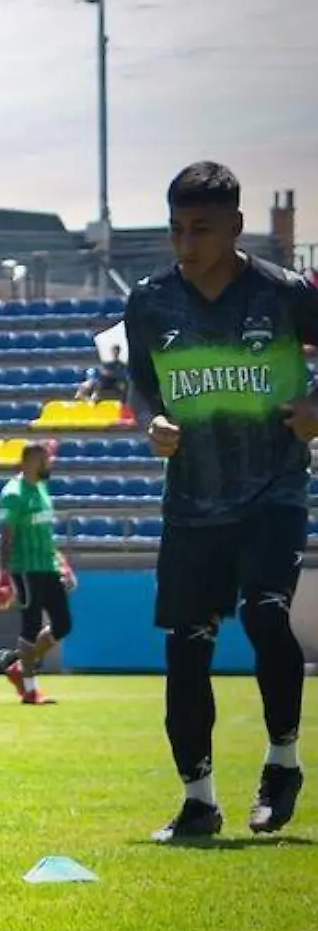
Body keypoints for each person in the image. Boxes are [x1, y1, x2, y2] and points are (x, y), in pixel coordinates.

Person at [125, 161, 318, 842]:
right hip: (192, 503)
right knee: (186, 648)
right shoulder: (149, 301)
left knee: (266, 614)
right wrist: (151, 420)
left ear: (237, 225)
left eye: (201, 229)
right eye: (176, 229)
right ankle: (199, 800)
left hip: (274, 490)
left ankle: (283, 763)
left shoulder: (287, 293)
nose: (186, 244)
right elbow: (140, 383)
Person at [0, 443, 76, 705]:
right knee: (31, 626)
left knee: (63, 624)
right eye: (45, 460)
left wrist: (64, 565)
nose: (49, 464)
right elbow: (7, 538)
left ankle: (17, 664)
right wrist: (4, 576)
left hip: (48, 567)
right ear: (30, 461)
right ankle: (29, 688)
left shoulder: (41, 488)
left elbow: (47, 535)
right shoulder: (14, 493)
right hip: (25, 569)